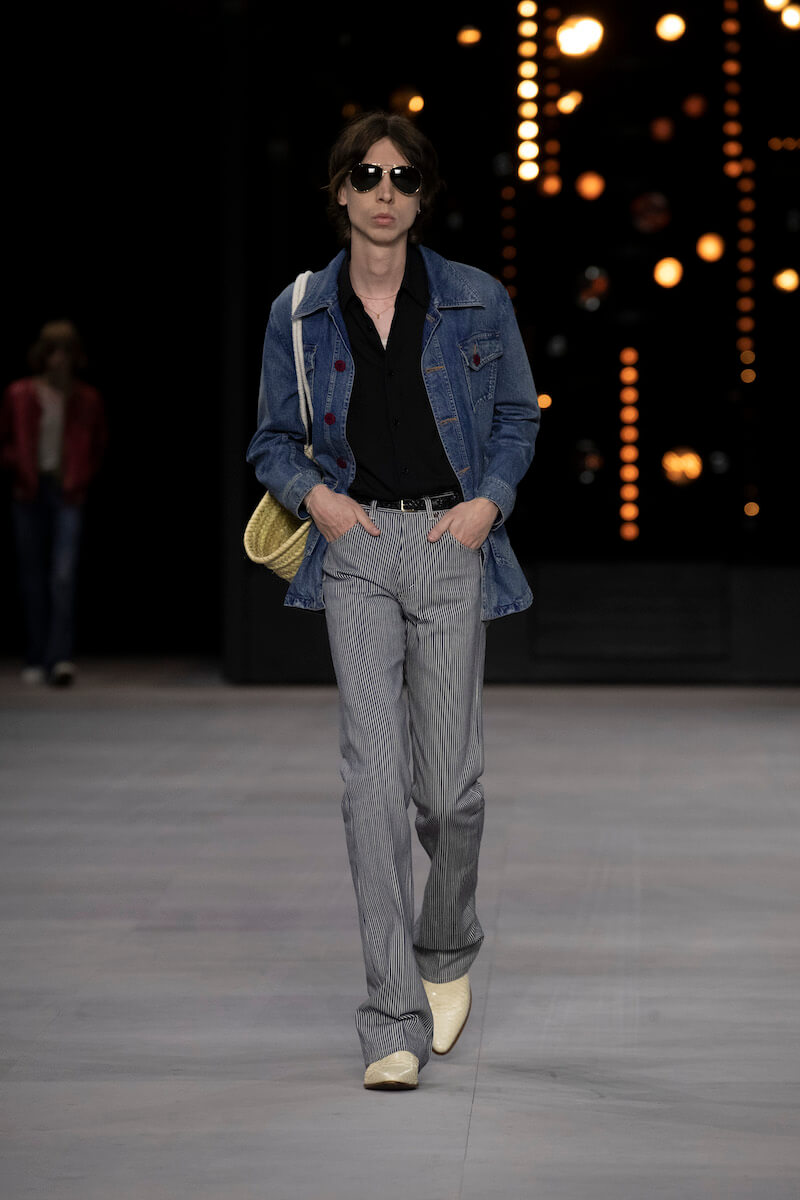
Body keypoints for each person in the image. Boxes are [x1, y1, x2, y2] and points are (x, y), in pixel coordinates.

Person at [247, 112, 540, 1090]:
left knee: (449, 791)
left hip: (451, 542)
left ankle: (445, 946)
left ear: (424, 194)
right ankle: (389, 1022)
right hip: (357, 548)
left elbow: (515, 417)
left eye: (403, 177)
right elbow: (270, 440)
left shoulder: (475, 298)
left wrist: (487, 503)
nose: (384, 192)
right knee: (370, 786)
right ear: (339, 190)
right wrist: (317, 499)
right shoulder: (299, 310)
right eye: (367, 176)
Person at [0, 319, 107, 686]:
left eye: (65, 350)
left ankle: (59, 657)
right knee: (32, 575)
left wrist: (80, 477)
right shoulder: (20, 394)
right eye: (52, 350)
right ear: (42, 354)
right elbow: (7, 439)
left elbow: (96, 445)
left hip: (67, 491)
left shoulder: (86, 399)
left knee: (62, 575)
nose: (58, 358)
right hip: (29, 489)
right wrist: (17, 470)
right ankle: (35, 655)